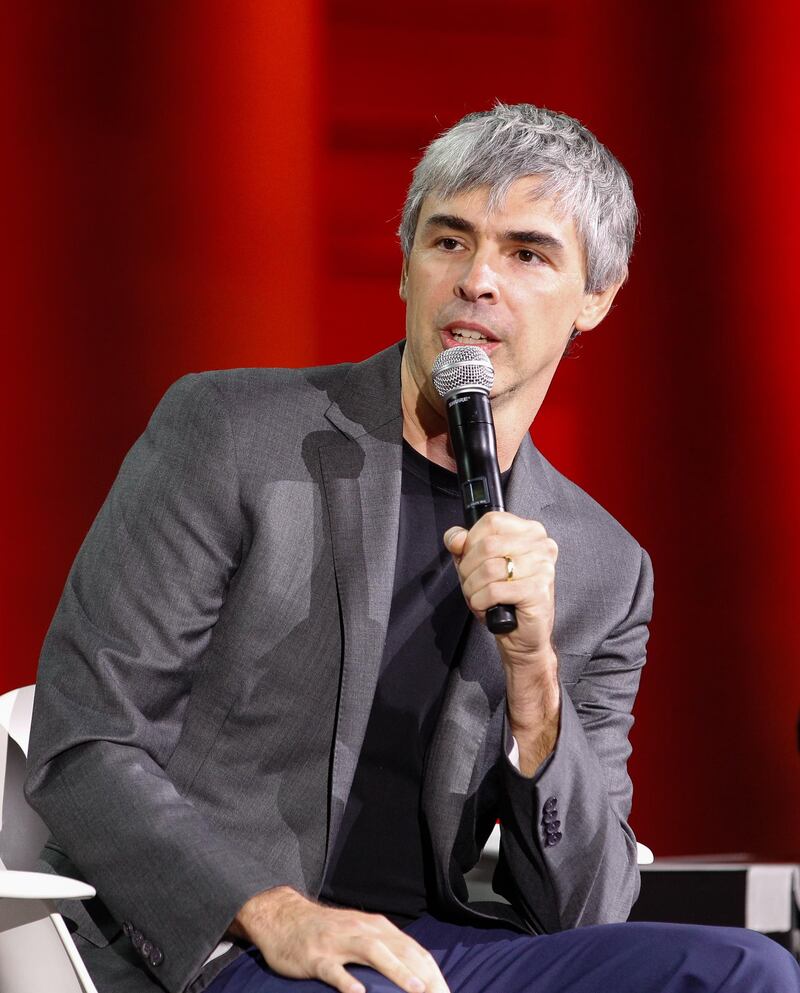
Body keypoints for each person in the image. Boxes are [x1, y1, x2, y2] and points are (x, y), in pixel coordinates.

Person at [25, 103, 800, 993]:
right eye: (449, 242)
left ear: (597, 298)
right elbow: (84, 740)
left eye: (527, 253)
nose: (478, 280)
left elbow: (587, 906)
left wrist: (535, 683)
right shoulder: (233, 431)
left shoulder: (603, 566)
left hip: (434, 949)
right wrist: (271, 910)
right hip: (229, 934)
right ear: (405, 265)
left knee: (747, 970)